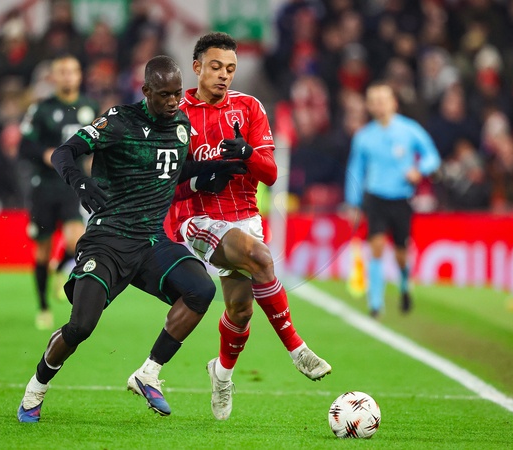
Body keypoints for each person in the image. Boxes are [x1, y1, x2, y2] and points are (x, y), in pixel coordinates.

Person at [17, 55, 244, 423]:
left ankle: (148, 373)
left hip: (151, 241)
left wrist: (219, 166)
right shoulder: (118, 121)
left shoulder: (180, 125)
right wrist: (81, 182)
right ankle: (36, 388)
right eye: (165, 95)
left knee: (201, 290)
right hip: (107, 240)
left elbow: (176, 169)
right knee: (81, 326)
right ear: (146, 91)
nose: (173, 102)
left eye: (177, 93)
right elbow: (64, 152)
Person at [172, 32, 331, 421]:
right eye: (215, 67)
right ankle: (297, 349)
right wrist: (200, 178)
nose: (223, 75)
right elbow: (168, 182)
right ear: (197, 67)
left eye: (230, 68)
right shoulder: (177, 114)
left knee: (241, 310)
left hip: (244, 216)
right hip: (198, 218)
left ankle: (221, 374)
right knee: (261, 258)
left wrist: (247, 154)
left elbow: (271, 174)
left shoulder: (249, 107)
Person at [344, 81, 441, 317]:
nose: (379, 105)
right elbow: (355, 170)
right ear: (369, 106)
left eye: (383, 100)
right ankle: (376, 303)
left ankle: (405, 286)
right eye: (374, 101)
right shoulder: (364, 137)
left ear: (393, 103)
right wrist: (353, 201)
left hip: (401, 198)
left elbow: (432, 156)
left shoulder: (409, 130)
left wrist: (419, 170)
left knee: (401, 253)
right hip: (375, 197)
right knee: (375, 246)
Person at [19, 54, 99, 330]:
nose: (68, 76)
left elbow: (98, 143)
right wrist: (45, 153)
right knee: (42, 249)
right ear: (54, 77)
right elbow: (24, 146)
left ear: (79, 75)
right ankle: (43, 306)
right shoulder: (41, 110)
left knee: (77, 242)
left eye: (72, 71)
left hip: (72, 185)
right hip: (44, 186)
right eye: (62, 72)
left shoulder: (90, 107)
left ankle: (60, 267)